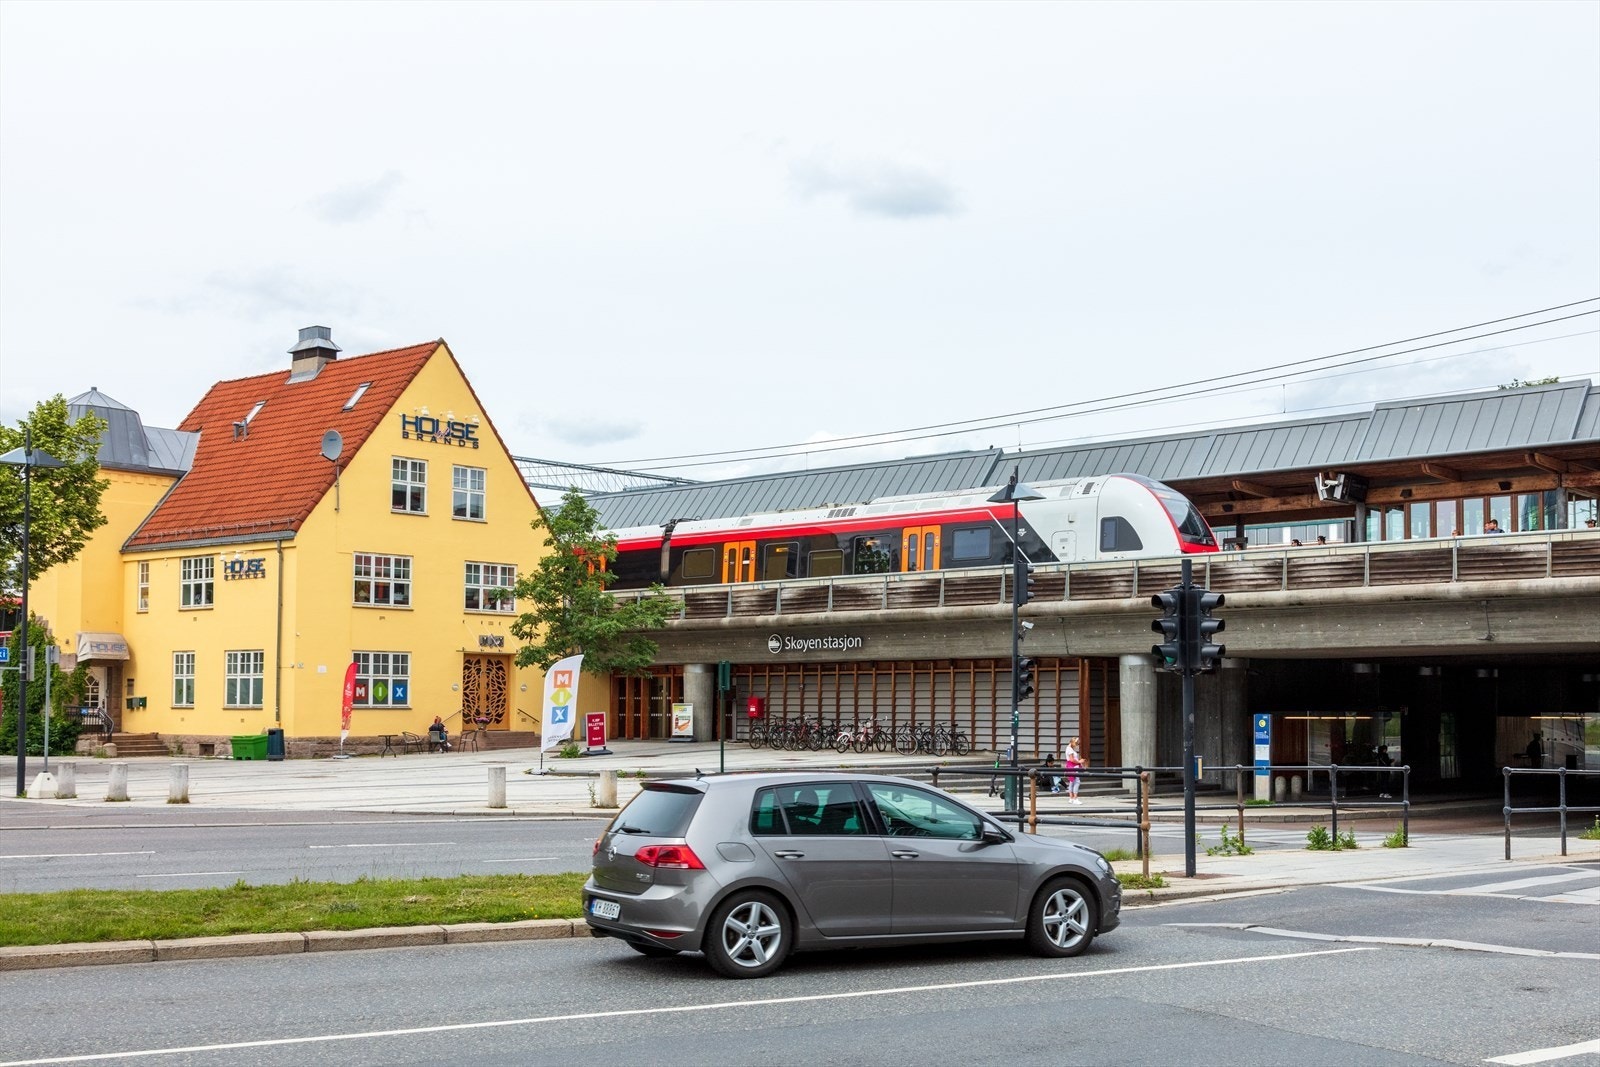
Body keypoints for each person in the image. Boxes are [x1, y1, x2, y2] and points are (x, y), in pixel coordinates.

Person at [1064, 736, 1085, 804]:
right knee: (1076, 782)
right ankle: (1075, 798)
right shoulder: (1070, 749)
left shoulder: (1069, 748)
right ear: (1073, 743)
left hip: (1071, 766)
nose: (1077, 745)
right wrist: (1079, 762)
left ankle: (1071, 798)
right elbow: (1072, 759)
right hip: (1073, 767)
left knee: (1072, 782)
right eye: (1076, 743)